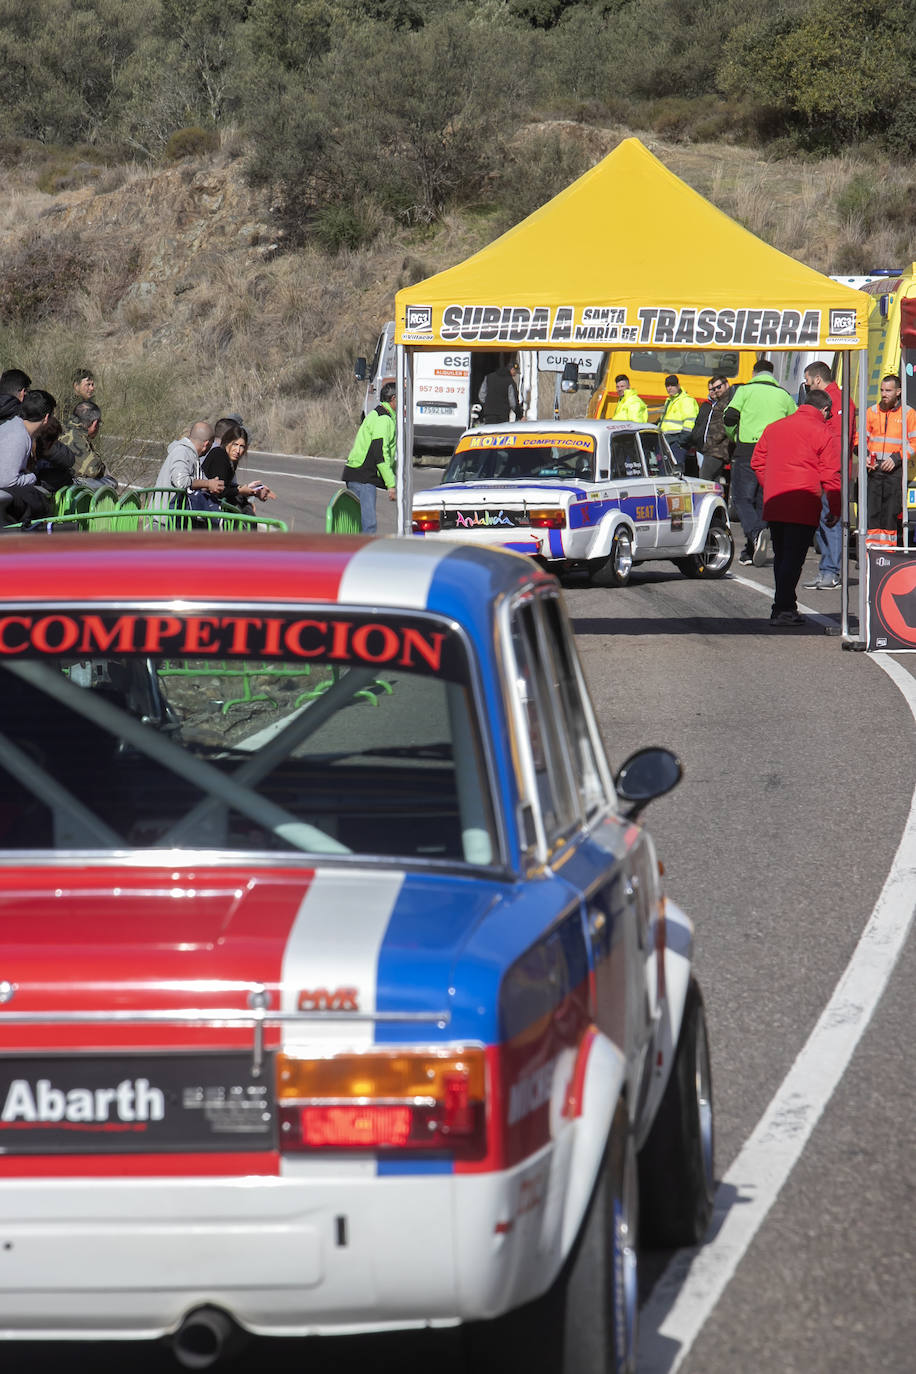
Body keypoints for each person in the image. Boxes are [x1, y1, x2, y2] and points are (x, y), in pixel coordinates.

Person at [751, 389, 840, 627]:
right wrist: (835, 507)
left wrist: (769, 484)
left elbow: (757, 462)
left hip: (777, 501)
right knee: (793, 558)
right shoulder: (823, 432)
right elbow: (831, 476)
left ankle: (785, 606)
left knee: (782, 557)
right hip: (804, 503)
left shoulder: (775, 427)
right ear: (824, 410)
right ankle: (782, 608)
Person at [724, 358, 796, 566]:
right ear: (773, 375)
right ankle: (750, 550)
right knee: (762, 500)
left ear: (755, 373)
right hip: (775, 453)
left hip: (747, 450)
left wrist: (735, 435)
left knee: (741, 498)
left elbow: (729, 417)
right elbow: (796, 421)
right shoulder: (784, 395)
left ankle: (756, 533)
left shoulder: (745, 391)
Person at [802, 360, 856, 589]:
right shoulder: (836, 400)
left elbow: (836, 441)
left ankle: (831, 572)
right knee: (824, 522)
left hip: (830, 471)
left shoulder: (836, 402)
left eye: (807, 381)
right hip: (825, 469)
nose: (807, 386)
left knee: (831, 521)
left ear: (817, 379)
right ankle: (827, 569)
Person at [861, 373, 916, 548]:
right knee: (872, 514)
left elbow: (914, 442)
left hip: (895, 471)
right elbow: (860, 440)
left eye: (888, 391)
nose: (884, 394)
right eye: (882, 390)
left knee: (890, 515)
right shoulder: (871, 412)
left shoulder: (908, 414)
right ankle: (871, 552)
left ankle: (887, 553)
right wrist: (865, 456)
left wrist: (897, 458)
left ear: (898, 392)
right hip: (874, 470)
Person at [341, 380, 396, 534]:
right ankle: (363, 556)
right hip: (362, 475)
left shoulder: (378, 414)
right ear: (393, 399)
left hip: (357, 472)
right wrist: (391, 484)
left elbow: (388, 454)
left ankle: (356, 552)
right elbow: (380, 452)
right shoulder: (383, 419)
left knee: (359, 523)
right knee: (368, 524)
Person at [0, 388, 56, 523]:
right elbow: (7, 481)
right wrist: (31, 477)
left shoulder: (16, 427)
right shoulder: (18, 436)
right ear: (46, 418)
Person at [152, 421, 221, 522]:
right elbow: (181, 481)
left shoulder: (193, 456)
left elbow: (199, 481)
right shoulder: (182, 452)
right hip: (162, 523)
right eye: (210, 445)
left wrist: (211, 485)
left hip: (174, 522)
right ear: (206, 444)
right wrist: (208, 483)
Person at [203, 423, 276, 513]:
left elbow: (227, 486)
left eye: (242, 446)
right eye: (235, 444)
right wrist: (240, 490)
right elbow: (219, 489)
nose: (237, 450)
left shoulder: (228, 459)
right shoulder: (219, 455)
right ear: (227, 442)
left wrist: (251, 489)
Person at [688, 375, 733, 492]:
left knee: (704, 483)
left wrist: (711, 442)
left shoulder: (728, 401)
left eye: (719, 387)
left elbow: (723, 426)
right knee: (714, 483)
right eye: (713, 389)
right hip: (710, 449)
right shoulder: (719, 401)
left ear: (726, 385)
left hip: (716, 450)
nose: (716, 391)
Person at [60, 400, 115, 490]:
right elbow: (92, 469)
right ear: (95, 423)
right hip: (61, 488)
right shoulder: (75, 436)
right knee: (109, 483)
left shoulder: (64, 427)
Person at [658, 374, 699, 473]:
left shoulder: (686, 401)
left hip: (677, 440)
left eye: (672, 385)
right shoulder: (670, 401)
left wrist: (681, 442)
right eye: (667, 386)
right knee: (664, 470)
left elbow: (690, 423)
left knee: (675, 471)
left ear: (678, 386)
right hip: (667, 439)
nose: (669, 388)